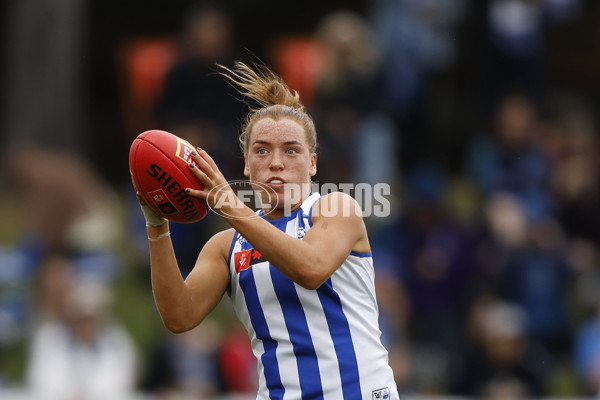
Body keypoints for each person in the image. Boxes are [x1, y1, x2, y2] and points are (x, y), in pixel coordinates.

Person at [134, 60, 399, 399]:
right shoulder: (225, 245)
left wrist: (231, 206)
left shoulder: (335, 208)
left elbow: (311, 268)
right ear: (246, 163)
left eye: (291, 150)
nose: (276, 162)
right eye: (262, 150)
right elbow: (179, 317)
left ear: (313, 162)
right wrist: (157, 224)